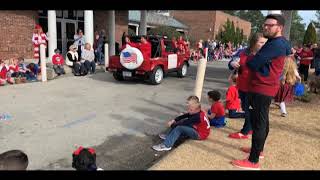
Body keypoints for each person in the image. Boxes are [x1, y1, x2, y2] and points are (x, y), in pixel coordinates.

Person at [232, 14, 291, 170]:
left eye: (270, 25)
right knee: (262, 121)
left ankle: (253, 161)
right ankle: (258, 150)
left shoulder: (275, 44)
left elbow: (254, 63)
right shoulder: (279, 42)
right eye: (265, 25)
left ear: (280, 28)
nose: (266, 27)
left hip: (261, 88)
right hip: (265, 87)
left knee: (258, 123)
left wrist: (248, 59)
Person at [228, 32, 267, 139]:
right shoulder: (243, 52)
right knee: (247, 109)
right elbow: (232, 62)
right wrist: (233, 63)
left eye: (265, 43)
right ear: (254, 42)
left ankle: (245, 131)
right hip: (242, 86)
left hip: (255, 88)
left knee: (250, 110)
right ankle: (249, 128)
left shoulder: (265, 54)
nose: (263, 45)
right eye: (261, 42)